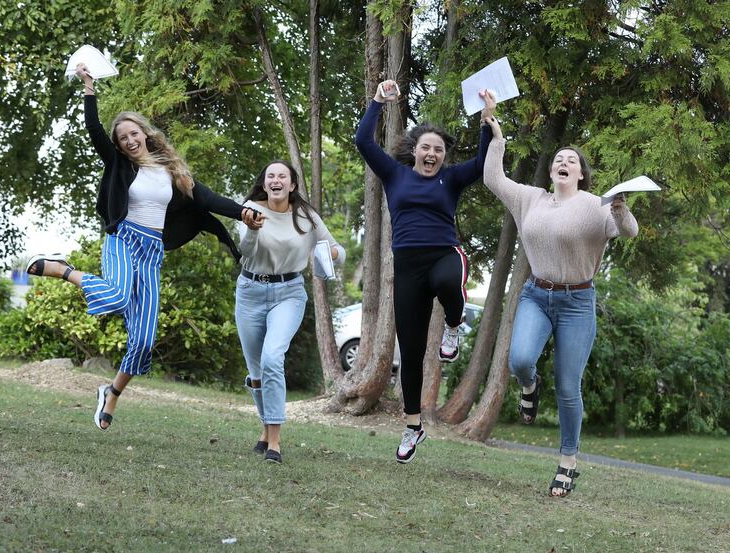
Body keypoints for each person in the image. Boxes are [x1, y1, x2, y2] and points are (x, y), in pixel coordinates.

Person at [25, 63, 262, 431]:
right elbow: (94, 131)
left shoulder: (172, 170)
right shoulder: (118, 164)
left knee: (144, 340)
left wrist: (243, 211)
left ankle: (112, 392)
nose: (129, 141)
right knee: (118, 297)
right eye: (123, 138)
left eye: (133, 134)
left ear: (145, 134)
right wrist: (89, 88)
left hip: (151, 251)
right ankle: (64, 269)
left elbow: (209, 198)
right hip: (123, 240)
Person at [480, 91, 639, 496]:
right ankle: (529, 388)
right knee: (519, 360)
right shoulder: (530, 199)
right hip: (537, 294)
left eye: (571, 160)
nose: (563, 163)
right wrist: (495, 134)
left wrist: (619, 207)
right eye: (558, 160)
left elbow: (629, 231)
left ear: (581, 174)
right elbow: (492, 179)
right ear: (551, 172)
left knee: (569, 386)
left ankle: (568, 461)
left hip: (577, 303)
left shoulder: (594, 205)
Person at [354, 80, 493, 464]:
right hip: (407, 266)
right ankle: (413, 425)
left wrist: (486, 122)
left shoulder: (452, 178)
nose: (432, 154)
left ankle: (453, 324)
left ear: (444, 156)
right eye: (426, 148)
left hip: (443, 254)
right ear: (415, 151)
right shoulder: (394, 175)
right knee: (411, 352)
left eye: (439, 150)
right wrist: (379, 101)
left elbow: (482, 164)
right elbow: (364, 142)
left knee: (449, 281)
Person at [236, 160, 345, 465]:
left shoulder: (306, 216)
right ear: (264, 182)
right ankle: (265, 427)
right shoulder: (249, 209)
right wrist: (253, 230)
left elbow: (339, 252)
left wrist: (330, 252)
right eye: (270, 175)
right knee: (257, 372)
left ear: (292, 185)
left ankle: (274, 441)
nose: (276, 180)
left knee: (273, 357)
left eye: (282, 176)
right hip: (250, 292)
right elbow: (245, 252)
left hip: (289, 293)